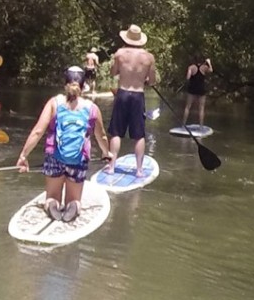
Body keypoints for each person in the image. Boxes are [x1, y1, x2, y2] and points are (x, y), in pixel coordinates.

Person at [16, 66, 111, 222]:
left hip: (54, 157)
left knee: (52, 196)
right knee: (75, 199)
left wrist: (23, 156)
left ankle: (52, 204)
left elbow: (38, 131)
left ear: (65, 84)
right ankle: (74, 206)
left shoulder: (54, 103)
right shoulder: (92, 108)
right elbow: (101, 136)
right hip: (78, 159)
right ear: (83, 86)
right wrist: (106, 153)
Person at [107, 24, 156, 178]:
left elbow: (113, 72)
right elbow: (153, 81)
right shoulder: (149, 57)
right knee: (139, 134)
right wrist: (145, 79)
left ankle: (111, 167)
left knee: (116, 132)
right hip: (137, 95)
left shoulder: (120, 53)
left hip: (122, 93)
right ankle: (139, 170)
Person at [182, 57, 213, 127]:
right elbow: (211, 70)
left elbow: (188, 77)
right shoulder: (204, 67)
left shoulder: (191, 67)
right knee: (201, 108)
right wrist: (209, 63)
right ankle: (201, 125)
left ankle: (183, 124)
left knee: (187, 107)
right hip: (201, 89)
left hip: (192, 89)